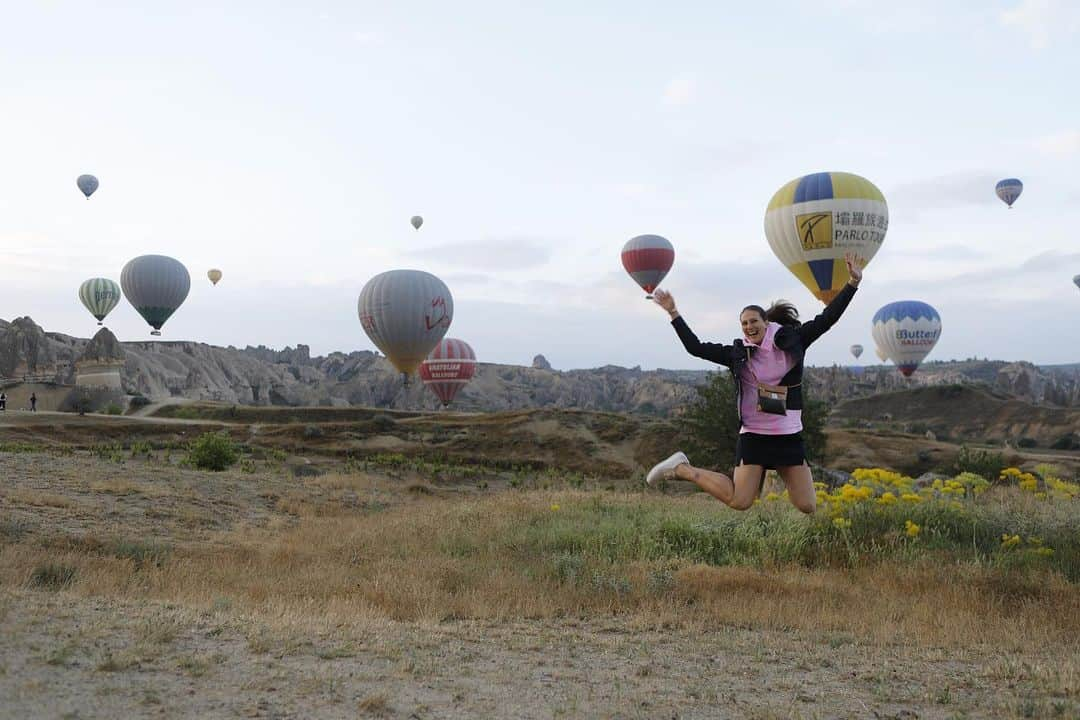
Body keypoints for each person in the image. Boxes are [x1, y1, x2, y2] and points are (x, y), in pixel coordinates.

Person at [644, 253, 864, 514]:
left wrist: (852, 282)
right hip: (755, 436)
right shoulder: (738, 354)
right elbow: (696, 348)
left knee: (807, 505)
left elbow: (828, 318)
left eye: (754, 321)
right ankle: (682, 468)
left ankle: (685, 469)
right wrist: (673, 312)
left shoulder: (793, 340)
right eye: (744, 323)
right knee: (740, 501)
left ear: (766, 323)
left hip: (789, 434)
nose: (749, 327)